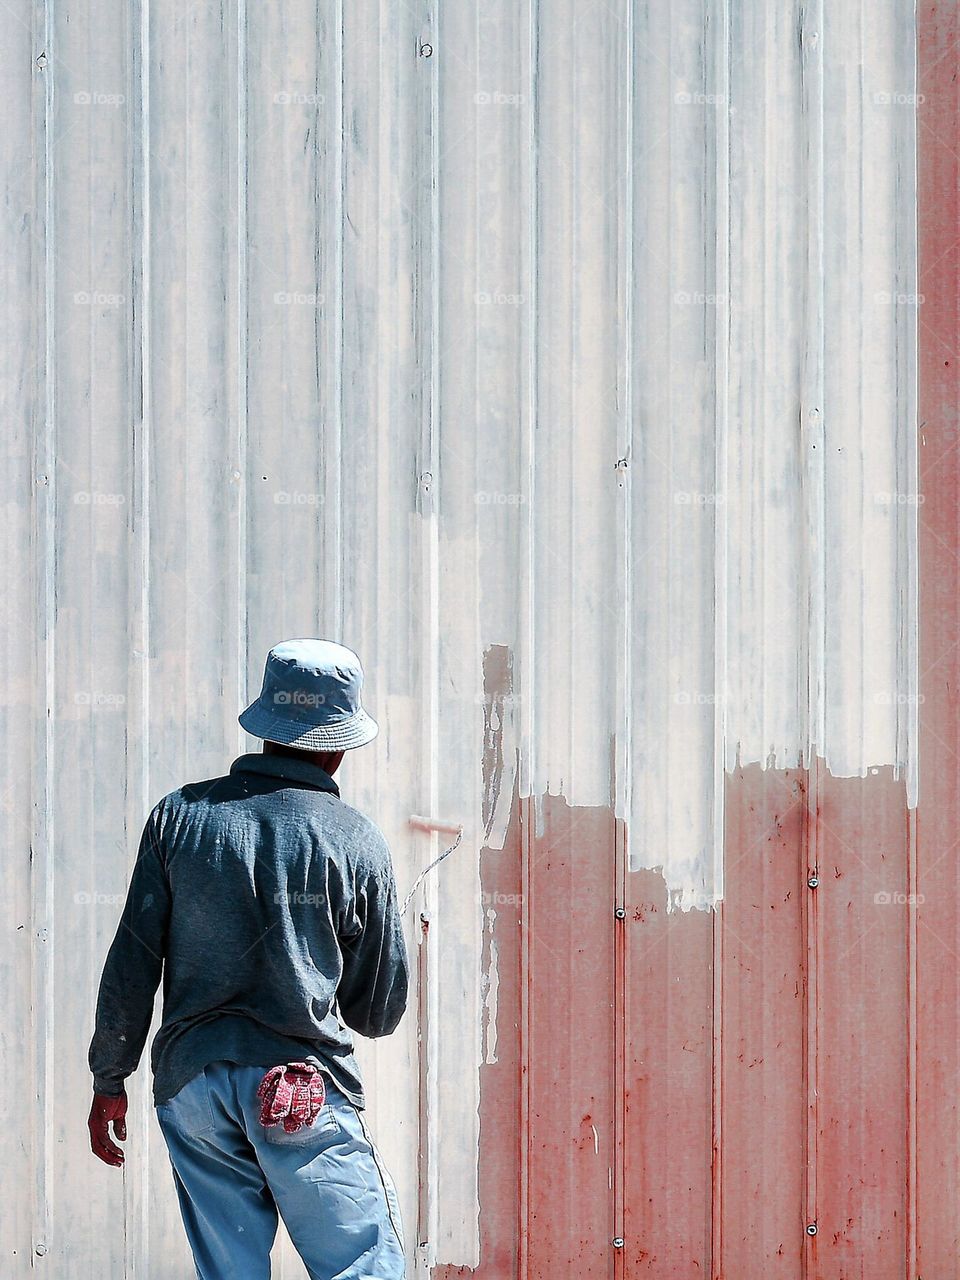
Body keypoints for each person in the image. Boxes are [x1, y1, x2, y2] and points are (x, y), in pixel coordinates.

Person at [87, 639, 409, 1280]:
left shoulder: (180, 819)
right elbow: (377, 1013)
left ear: (265, 723)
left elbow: (133, 962)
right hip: (299, 1092)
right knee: (361, 1268)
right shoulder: (355, 842)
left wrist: (108, 1080)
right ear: (338, 742)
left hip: (193, 1088)